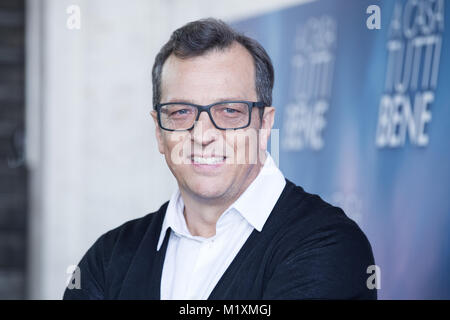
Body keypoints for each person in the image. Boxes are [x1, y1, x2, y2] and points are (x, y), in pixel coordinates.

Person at [63, 18, 377, 300]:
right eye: (181, 112)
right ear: (159, 131)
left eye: (229, 112)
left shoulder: (330, 246)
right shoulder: (108, 258)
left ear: (264, 125)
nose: (203, 134)